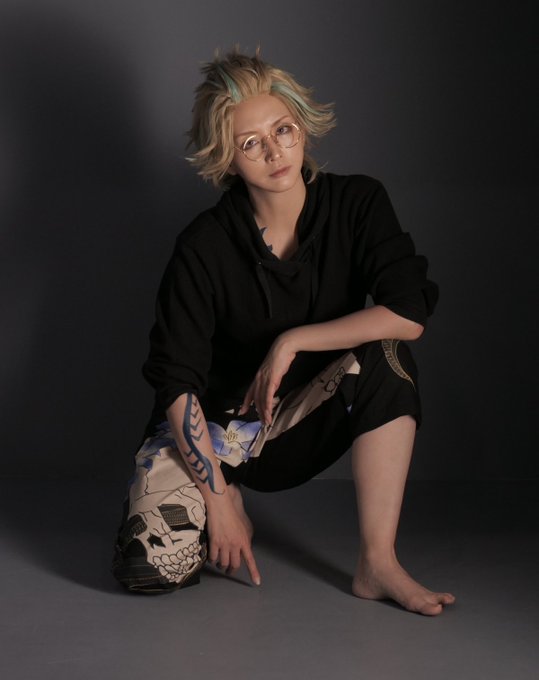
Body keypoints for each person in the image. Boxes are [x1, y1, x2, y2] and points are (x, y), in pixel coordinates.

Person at [112, 48, 455, 616]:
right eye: (250, 143)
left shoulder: (357, 203)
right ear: (228, 158)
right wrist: (216, 498)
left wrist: (291, 341)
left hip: (297, 418)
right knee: (150, 569)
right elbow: (176, 381)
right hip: (213, 433)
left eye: (283, 130)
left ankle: (378, 562)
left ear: (303, 127)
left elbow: (408, 312)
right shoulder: (203, 245)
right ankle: (228, 496)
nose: (275, 152)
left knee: (387, 354)